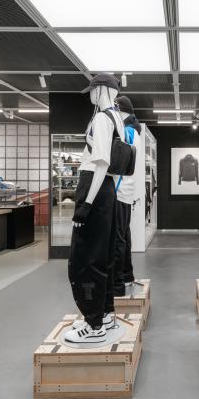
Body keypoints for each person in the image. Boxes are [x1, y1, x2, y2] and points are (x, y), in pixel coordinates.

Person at [64, 74, 126, 344]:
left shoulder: (102, 118)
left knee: (86, 259)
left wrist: (86, 203)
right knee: (104, 256)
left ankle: (94, 324)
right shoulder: (117, 118)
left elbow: (101, 163)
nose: (89, 95)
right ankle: (105, 314)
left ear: (102, 89)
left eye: (92, 90)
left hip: (94, 185)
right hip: (107, 189)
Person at [112, 95, 140, 296]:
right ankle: (127, 276)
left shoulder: (127, 131)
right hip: (126, 191)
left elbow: (120, 165)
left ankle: (118, 283)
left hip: (120, 191)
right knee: (124, 235)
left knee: (118, 238)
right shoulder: (133, 130)